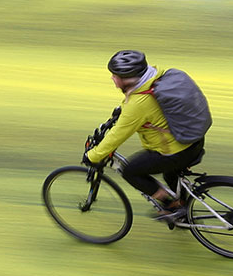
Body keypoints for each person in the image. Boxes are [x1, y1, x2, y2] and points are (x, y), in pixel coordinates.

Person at [82, 50, 206, 225]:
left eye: (115, 76)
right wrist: (122, 111)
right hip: (193, 141)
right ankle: (183, 208)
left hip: (175, 151)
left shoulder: (139, 104)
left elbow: (118, 135)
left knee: (131, 171)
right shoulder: (157, 77)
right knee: (171, 176)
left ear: (128, 78)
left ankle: (172, 206)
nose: (112, 79)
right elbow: (139, 107)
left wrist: (93, 156)